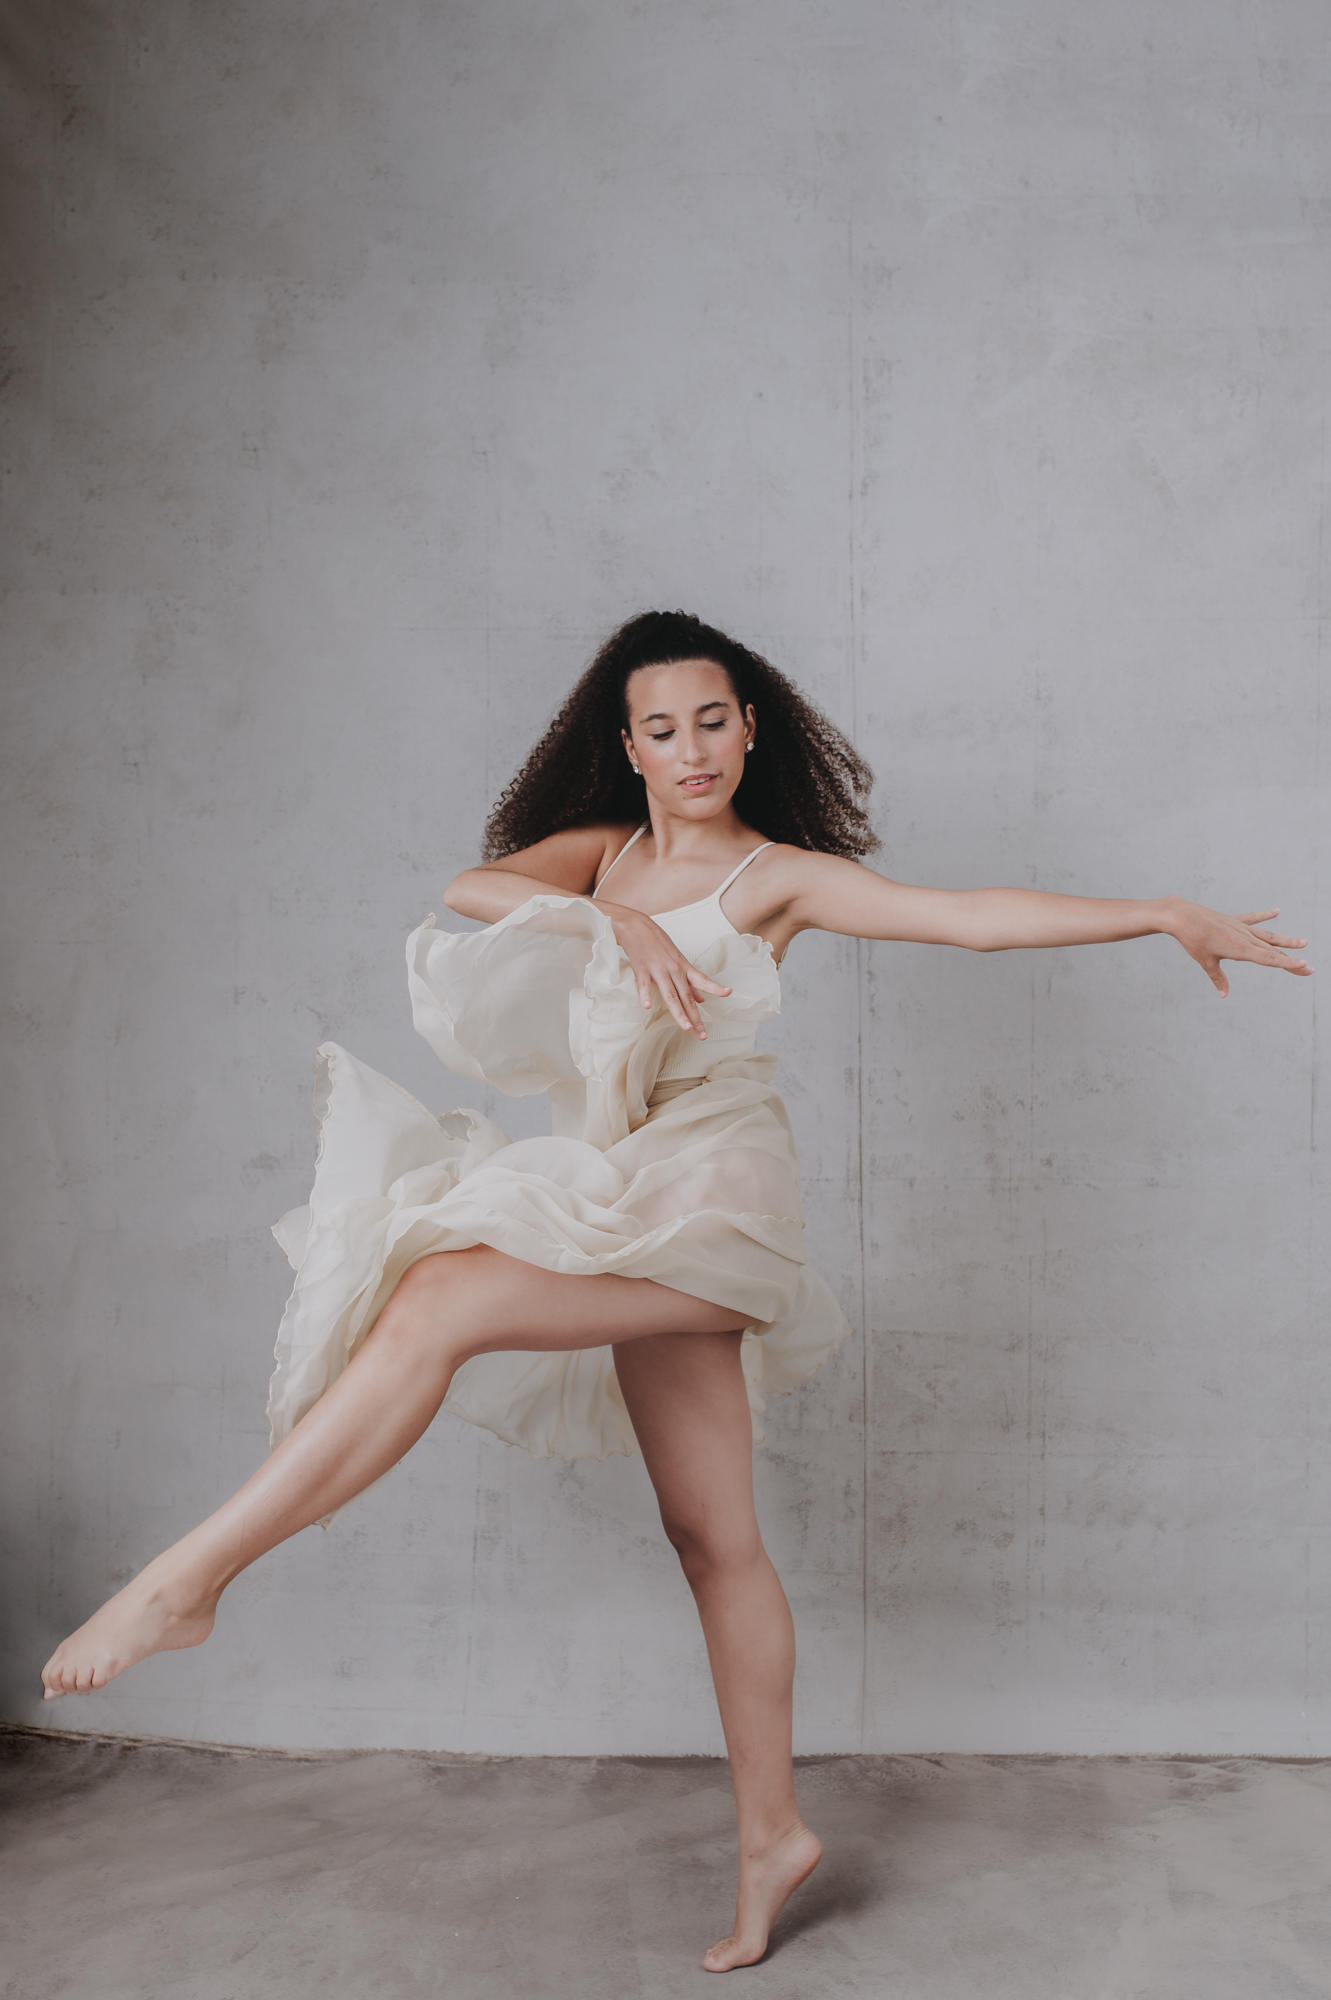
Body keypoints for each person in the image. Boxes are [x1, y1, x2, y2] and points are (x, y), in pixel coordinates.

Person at [40, 610, 1310, 1972]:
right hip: (613, 1186)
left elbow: (970, 922)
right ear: (627, 747)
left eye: (715, 720)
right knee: (711, 1537)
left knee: (442, 1303)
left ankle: (187, 1579)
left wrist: (1160, 912)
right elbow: (473, 888)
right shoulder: (602, 854)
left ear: (750, 728)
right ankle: (774, 1836)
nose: (692, 748)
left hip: (714, 1195)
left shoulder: (773, 876)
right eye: (663, 728)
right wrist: (606, 922)